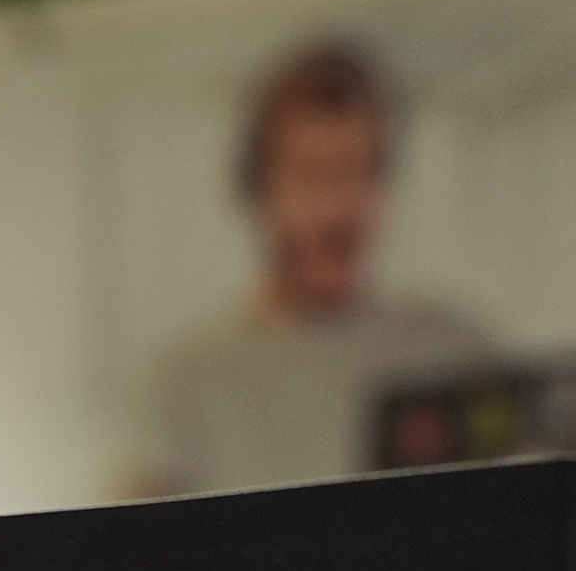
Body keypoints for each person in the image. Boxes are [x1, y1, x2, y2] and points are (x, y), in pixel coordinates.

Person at [132, 36, 493, 497]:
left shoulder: (452, 358)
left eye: (362, 171)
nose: (341, 206)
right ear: (260, 189)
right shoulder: (185, 386)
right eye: (315, 174)